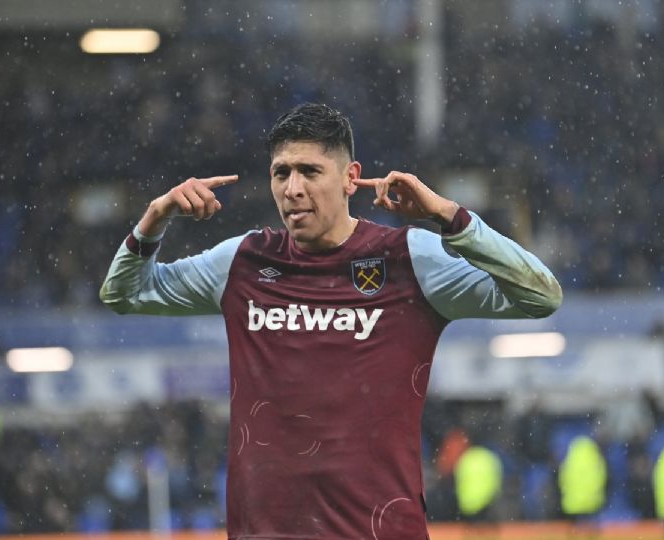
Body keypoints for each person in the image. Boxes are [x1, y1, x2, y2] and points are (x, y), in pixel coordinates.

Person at [100, 103, 562, 539]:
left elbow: (541, 295)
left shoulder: (407, 258)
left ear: (350, 178)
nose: (292, 188)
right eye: (281, 173)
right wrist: (154, 221)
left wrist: (448, 216)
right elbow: (123, 293)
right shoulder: (242, 261)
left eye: (310, 172)